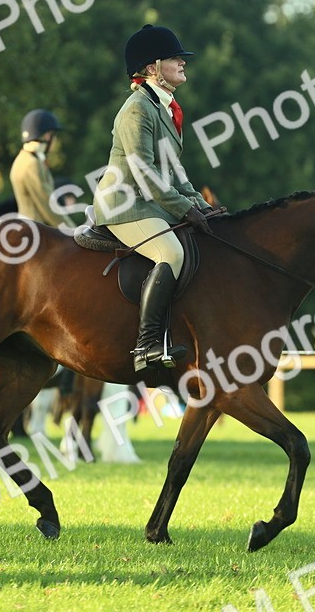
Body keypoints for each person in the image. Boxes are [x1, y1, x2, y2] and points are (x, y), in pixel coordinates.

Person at [92, 24, 213, 372]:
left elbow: (175, 172)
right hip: (124, 205)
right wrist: (185, 209)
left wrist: (204, 208)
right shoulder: (136, 110)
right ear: (152, 68)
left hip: (149, 202)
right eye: (175, 58)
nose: (182, 63)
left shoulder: (166, 107)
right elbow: (146, 174)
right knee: (170, 252)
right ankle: (145, 347)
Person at [8, 109, 75, 230]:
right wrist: (72, 230)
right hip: (35, 232)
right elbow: (47, 205)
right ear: (47, 135)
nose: (55, 140)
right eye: (54, 135)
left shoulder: (23, 159)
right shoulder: (31, 164)